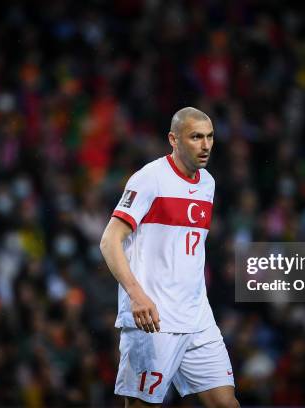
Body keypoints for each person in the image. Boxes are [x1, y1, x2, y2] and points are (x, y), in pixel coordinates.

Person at [100, 107, 239, 407]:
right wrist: (137, 296)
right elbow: (109, 241)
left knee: (227, 404)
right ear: (173, 140)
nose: (205, 145)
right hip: (154, 317)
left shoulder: (208, 184)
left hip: (197, 316)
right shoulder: (149, 178)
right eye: (196, 137)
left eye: (210, 137)